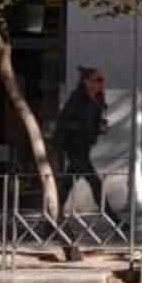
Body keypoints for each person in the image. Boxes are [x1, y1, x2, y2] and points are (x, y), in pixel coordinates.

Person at [53, 66, 109, 219]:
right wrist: (84, 126)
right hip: (74, 147)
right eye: (98, 80)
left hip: (85, 147)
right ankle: (114, 219)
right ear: (87, 82)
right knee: (95, 183)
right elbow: (65, 122)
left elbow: (94, 122)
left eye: (102, 80)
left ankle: (51, 218)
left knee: (67, 185)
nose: (102, 83)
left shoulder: (98, 99)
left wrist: (100, 127)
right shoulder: (77, 98)